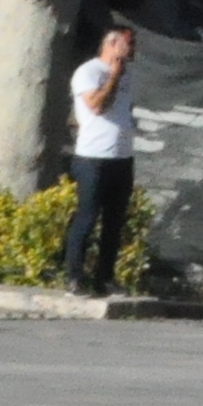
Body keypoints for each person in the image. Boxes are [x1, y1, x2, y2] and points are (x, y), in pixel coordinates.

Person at [64, 23, 138, 297]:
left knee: (114, 222)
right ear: (112, 44)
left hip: (122, 158)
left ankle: (104, 278)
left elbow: (124, 110)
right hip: (93, 159)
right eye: (129, 43)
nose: (133, 48)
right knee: (87, 217)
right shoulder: (89, 72)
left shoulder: (128, 75)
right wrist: (114, 77)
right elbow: (96, 106)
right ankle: (74, 277)